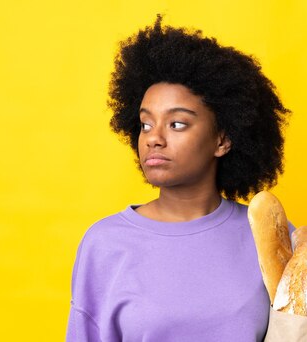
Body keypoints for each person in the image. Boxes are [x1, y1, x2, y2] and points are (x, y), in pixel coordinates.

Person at [66, 15, 294, 342]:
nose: (153, 138)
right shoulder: (104, 244)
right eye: (146, 124)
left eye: (176, 124)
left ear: (222, 140)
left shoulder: (270, 235)